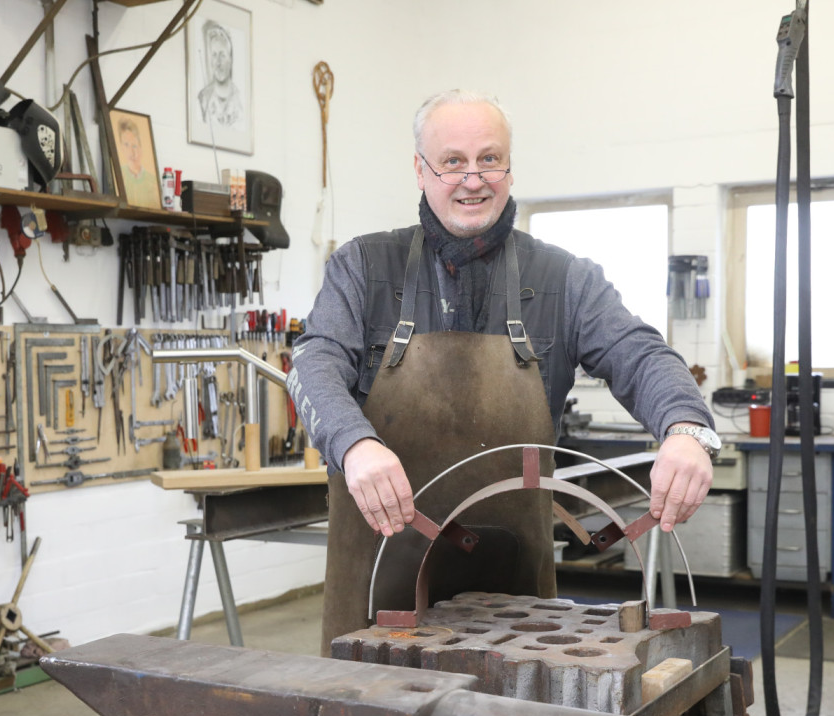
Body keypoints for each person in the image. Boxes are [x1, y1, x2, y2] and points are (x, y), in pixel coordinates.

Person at [288, 89, 719, 650]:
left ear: (510, 169)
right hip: (376, 583)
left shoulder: (566, 280)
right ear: (421, 171)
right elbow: (315, 359)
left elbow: (641, 354)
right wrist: (354, 445)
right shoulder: (363, 267)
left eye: (489, 159)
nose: (473, 178)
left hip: (516, 609)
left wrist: (685, 429)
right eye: (452, 162)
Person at [196, 20, 243, 129]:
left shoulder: (239, 101)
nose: (218, 62)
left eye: (222, 55)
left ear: (230, 59)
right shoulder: (203, 98)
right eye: (214, 55)